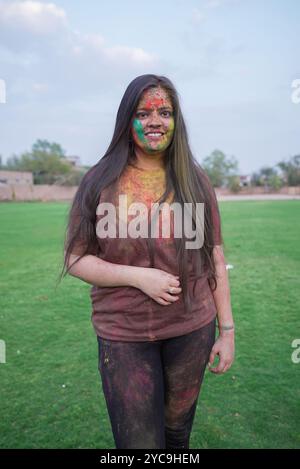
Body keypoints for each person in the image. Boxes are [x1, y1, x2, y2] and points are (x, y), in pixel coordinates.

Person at [60, 74, 235, 449]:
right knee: (139, 443)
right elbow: (75, 259)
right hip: (124, 335)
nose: (155, 121)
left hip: (192, 329)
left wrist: (228, 331)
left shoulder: (195, 181)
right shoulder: (99, 182)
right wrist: (140, 277)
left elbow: (216, 259)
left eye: (165, 112)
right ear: (128, 120)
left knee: (176, 434)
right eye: (144, 112)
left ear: (176, 121)